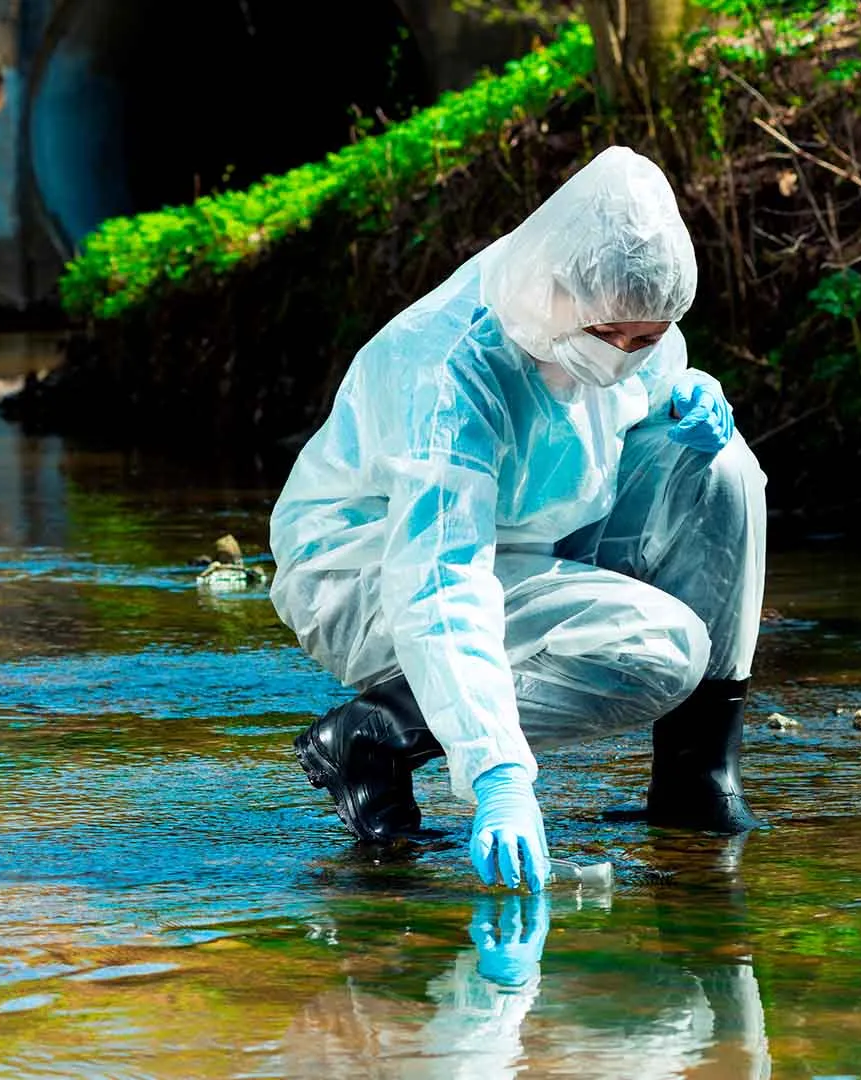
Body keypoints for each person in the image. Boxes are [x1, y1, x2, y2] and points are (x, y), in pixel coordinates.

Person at [269, 145, 768, 891]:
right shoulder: (452, 370)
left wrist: (687, 391)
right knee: (663, 651)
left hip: (537, 532)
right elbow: (441, 577)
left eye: (651, 339)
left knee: (722, 466)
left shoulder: (623, 307)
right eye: (614, 339)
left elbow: (632, 398)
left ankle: (697, 776)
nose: (630, 355)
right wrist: (498, 774)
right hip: (368, 569)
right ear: (565, 297)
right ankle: (381, 733)